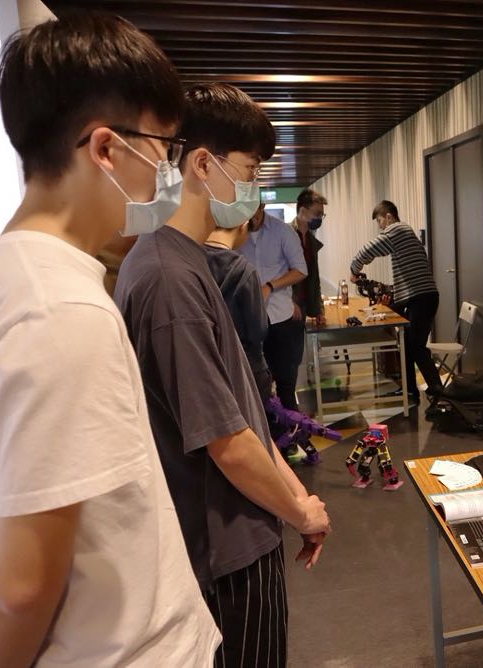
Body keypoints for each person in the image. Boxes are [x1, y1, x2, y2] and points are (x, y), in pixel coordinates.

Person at [0, 13, 220, 666]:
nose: (167, 175)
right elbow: (22, 588)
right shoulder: (59, 310)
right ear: (107, 150)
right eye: (163, 150)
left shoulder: (9, 274)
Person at [114, 82, 330, 667]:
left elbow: (243, 410)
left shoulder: (187, 263)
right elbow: (227, 441)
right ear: (203, 165)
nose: (253, 189)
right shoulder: (168, 278)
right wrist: (299, 511)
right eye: (250, 170)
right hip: (224, 549)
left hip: (244, 532)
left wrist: (296, 495)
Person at [350, 200, 443, 402]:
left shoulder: (398, 229)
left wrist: (354, 270)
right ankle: (409, 390)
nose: (381, 227)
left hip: (422, 298)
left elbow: (368, 250)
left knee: (416, 346)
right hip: (419, 297)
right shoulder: (404, 235)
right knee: (407, 345)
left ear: (389, 217)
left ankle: (438, 392)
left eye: (380, 221)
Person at [240, 202, 308, 410]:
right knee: (257, 385)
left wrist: (270, 286)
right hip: (248, 319)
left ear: (262, 207)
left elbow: (300, 270)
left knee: (286, 384)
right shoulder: (235, 234)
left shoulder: (283, 232)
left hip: (280, 318)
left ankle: (290, 428)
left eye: (254, 214)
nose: (250, 220)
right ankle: (267, 428)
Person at [204, 220, 272, 403]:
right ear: (243, 225)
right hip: (245, 368)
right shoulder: (244, 271)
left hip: (207, 365)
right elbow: (258, 330)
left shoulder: (191, 262)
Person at [292, 187, 328, 326]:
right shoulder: (285, 236)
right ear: (302, 211)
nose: (319, 218)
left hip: (303, 305)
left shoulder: (311, 241)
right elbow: (277, 274)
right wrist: (289, 301)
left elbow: (314, 278)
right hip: (287, 307)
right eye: (317, 214)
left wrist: (319, 310)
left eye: (322, 215)